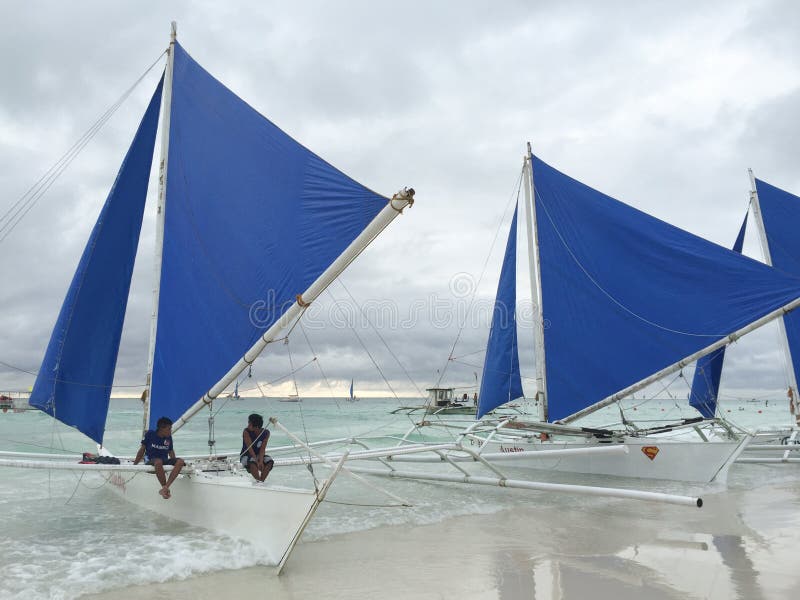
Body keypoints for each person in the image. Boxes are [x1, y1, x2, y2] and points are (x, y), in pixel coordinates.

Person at [133, 416, 185, 499]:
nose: (170, 431)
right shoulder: (150, 434)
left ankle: (165, 488)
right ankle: (164, 487)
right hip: (150, 460)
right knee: (158, 461)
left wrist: (174, 464)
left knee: (181, 461)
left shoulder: (168, 437)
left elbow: (171, 451)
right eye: (169, 429)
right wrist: (135, 465)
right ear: (161, 428)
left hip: (164, 460)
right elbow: (142, 449)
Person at [241, 413, 274, 482]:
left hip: (259, 455)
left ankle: (262, 481)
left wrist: (261, 461)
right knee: (252, 461)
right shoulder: (246, 432)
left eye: (249, 423)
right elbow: (250, 449)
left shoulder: (266, 433)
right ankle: (258, 481)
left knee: (269, 461)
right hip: (246, 455)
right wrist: (257, 461)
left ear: (256, 427)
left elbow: (262, 449)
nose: (248, 425)